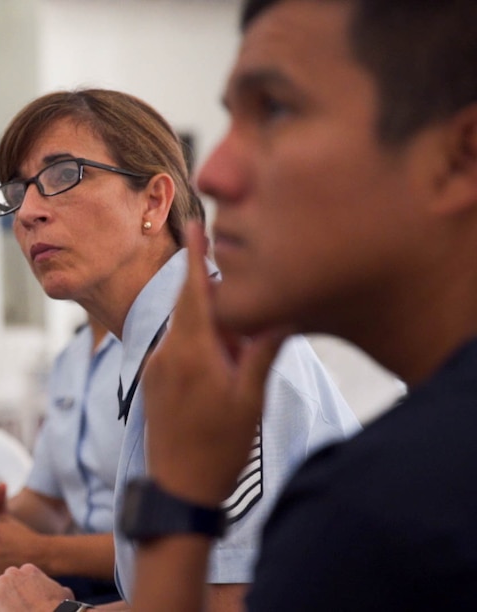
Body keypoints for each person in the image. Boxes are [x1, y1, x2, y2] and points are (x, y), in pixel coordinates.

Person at [125, 0, 477, 610]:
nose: (212, 173)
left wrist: (178, 501)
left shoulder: (377, 516)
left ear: (460, 157)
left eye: (277, 110)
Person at [0, 88, 362, 611]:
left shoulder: (219, 348)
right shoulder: (162, 343)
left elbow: (235, 605)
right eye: (17, 192)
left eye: (63, 175)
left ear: (154, 201)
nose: (28, 212)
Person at [0, 314, 125, 604]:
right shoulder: (71, 358)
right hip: (86, 577)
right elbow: (47, 503)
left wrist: (42, 552)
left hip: (146, 587)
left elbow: (195, 549)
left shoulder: (173, 343)